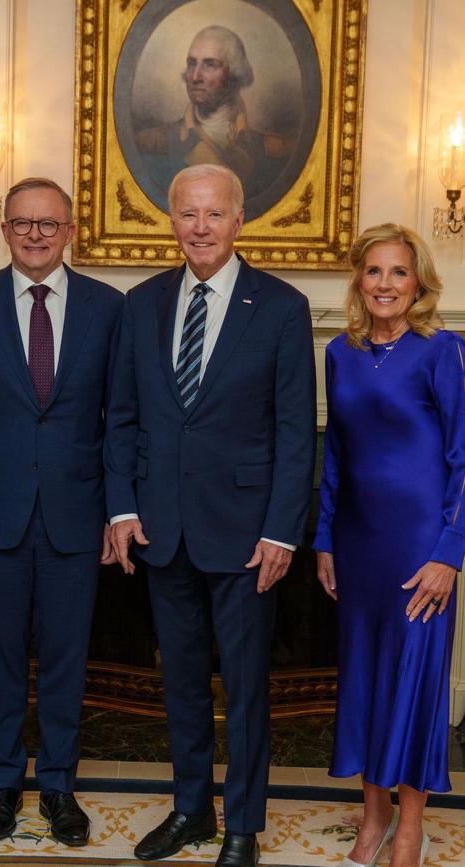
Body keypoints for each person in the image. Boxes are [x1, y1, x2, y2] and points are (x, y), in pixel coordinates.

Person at [105, 164, 316, 867]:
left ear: (239, 219)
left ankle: (243, 826)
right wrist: (123, 507)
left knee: (248, 686)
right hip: (163, 530)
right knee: (183, 682)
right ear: (172, 221)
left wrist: (283, 528)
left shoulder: (282, 307)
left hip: (250, 534)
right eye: (187, 214)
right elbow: (123, 418)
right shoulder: (141, 305)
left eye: (213, 214)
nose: (200, 226)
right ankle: (192, 809)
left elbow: (295, 430)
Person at [0, 178, 123, 846]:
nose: (34, 234)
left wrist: (117, 512)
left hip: (78, 514)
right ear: (4, 229)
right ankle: (2, 782)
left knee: (64, 656)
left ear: (70, 229)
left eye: (48, 224)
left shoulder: (111, 307)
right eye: (22, 223)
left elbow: (120, 418)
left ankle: (57, 785)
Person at [314, 224, 465, 867]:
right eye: (374, 271)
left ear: (419, 283)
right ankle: (370, 822)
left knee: (413, 682)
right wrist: (324, 540)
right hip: (357, 543)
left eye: (398, 272)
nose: (385, 284)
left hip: (420, 547)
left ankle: (410, 827)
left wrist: (449, 552)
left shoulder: (444, 350)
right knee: (368, 681)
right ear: (358, 280)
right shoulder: (340, 353)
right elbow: (335, 457)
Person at [135, 26, 292, 202]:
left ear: (234, 74)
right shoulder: (153, 145)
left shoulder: (272, 151)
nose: (195, 77)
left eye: (210, 65)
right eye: (192, 64)